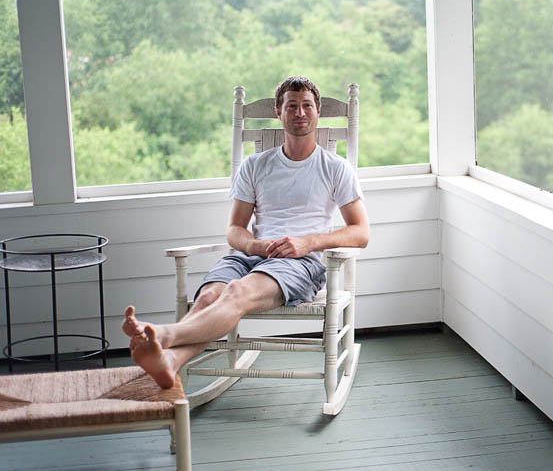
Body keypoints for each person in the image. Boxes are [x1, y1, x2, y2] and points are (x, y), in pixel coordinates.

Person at [122, 76, 369, 388]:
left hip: (300, 263)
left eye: (307, 105)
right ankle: (169, 361)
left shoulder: (335, 168)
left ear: (317, 111)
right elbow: (235, 230)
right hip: (252, 254)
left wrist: (309, 242)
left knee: (235, 293)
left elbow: (360, 233)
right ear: (279, 113)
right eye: (291, 106)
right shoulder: (254, 166)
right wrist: (256, 246)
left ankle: (164, 335)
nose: (300, 112)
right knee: (209, 297)